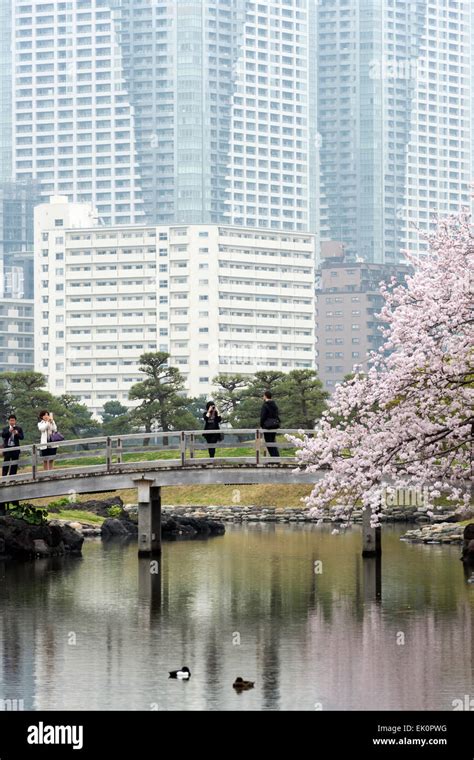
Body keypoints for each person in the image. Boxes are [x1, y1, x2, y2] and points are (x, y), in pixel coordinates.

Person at [2, 414, 24, 478]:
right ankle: (4, 477)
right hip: (7, 449)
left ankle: (13, 477)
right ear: (8, 421)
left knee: (14, 464)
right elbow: (3, 435)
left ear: (15, 421)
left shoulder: (19, 428)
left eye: (13, 420)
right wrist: (9, 431)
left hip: (15, 448)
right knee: (6, 463)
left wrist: (17, 433)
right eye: (11, 420)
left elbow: (22, 437)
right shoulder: (5, 428)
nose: (12, 422)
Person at [260, 390, 280, 457]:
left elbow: (263, 416)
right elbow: (277, 415)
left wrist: (261, 425)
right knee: (273, 442)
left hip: (267, 426)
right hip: (274, 425)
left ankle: (274, 459)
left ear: (265, 396)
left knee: (269, 443)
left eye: (263, 396)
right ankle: (276, 458)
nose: (263, 397)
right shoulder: (274, 404)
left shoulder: (265, 405)